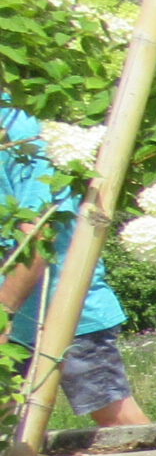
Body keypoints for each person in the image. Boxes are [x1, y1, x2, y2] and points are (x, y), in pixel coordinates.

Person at [2, 107, 147, 428]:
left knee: (121, 424)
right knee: (8, 430)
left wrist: (3, 315)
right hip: (15, 317)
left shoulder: (18, 128)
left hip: (66, 311)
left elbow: (37, 237)